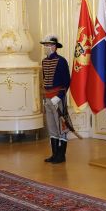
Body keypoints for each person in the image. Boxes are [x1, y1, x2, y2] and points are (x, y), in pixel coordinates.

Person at [40, 35, 70, 164]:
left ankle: (61, 155)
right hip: (48, 98)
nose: (45, 48)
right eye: (45, 45)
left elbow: (66, 81)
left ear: (54, 46)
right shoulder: (44, 61)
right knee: (52, 127)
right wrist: (45, 97)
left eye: (47, 45)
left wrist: (59, 96)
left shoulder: (61, 61)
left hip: (58, 98)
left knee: (61, 127)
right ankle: (54, 154)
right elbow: (45, 80)